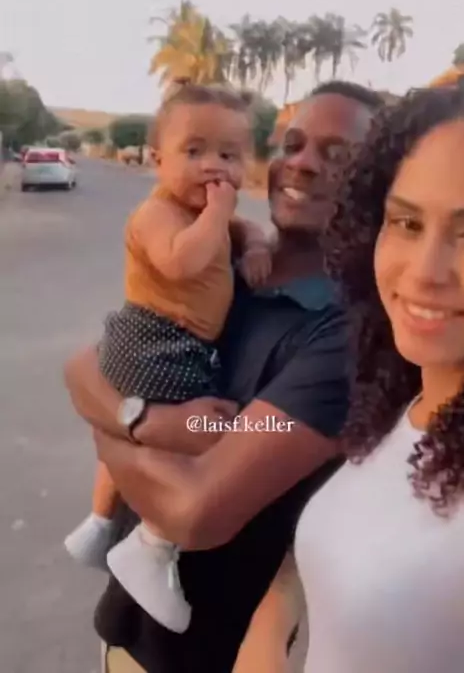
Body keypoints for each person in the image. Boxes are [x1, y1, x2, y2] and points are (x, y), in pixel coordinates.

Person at [65, 81, 384, 673]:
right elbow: (81, 367)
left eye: (337, 155)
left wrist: (120, 421)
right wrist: (141, 420)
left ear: (378, 185)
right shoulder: (225, 265)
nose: (302, 163)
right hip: (125, 630)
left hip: (206, 654)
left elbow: (195, 511)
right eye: (292, 144)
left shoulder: (344, 333)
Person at [64, 82, 272, 633]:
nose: (214, 166)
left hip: (171, 342)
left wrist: (252, 244)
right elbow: (181, 262)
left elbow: (245, 228)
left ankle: (98, 524)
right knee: (206, 434)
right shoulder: (157, 214)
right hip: (158, 340)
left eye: (229, 155)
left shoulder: (208, 212)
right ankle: (151, 547)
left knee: (152, 434)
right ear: (157, 160)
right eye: (195, 151)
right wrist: (220, 212)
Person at [292, 84, 464, 673]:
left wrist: (127, 410)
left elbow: (197, 507)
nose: (424, 273)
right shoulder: (410, 400)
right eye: (406, 222)